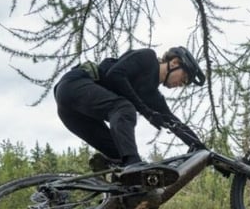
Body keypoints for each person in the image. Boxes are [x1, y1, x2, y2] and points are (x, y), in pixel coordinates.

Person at [53, 46, 205, 175]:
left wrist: (202, 149)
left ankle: (116, 190)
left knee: (120, 154)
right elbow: (115, 75)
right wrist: (147, 113)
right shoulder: (148, 58)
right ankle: (134, 165)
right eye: (184, 77)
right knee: (124, 108)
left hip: (73, 115)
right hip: (73, 85)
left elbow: (174, 122)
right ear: (174, 62)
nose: (181, 84)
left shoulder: (153, 96)